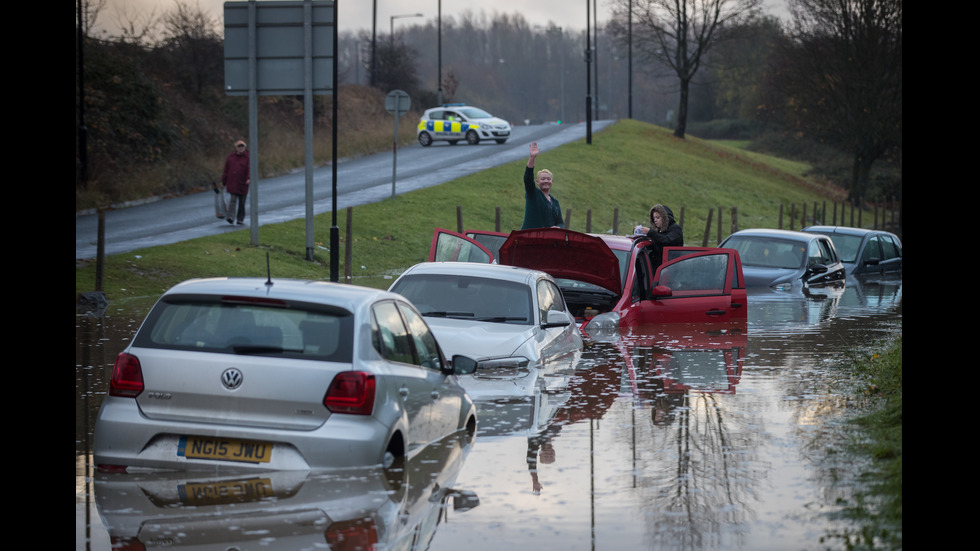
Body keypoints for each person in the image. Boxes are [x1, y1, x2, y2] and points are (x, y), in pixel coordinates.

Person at [521, 142, 564, 230]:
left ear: (552, 182)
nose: (546, 181)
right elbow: (528, 179)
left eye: (548, 179)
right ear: (537, 182)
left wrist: (558, 227)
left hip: (547, 239)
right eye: (543, 179)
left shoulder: (555, 202)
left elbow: (560, 222)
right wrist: (532, 158)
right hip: (530, 237)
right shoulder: (533, 194)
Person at [222, 140, 250, 225]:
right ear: (236, 147)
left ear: (245, 147)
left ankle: (240, 219)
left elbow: (250, 169)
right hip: (232, 182)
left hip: (243, 183)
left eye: (242, 146)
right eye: (239, 146)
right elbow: (226, 169)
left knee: (242, 202)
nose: (241, 148)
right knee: (232, 200)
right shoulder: (231, 157)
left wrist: (248, 178)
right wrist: (223, 180)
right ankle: (230, 217)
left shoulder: (248, 157)